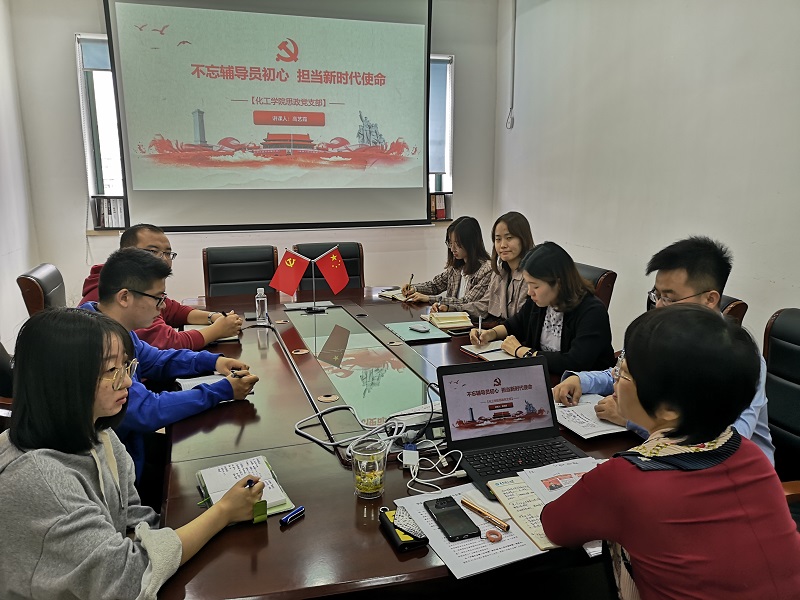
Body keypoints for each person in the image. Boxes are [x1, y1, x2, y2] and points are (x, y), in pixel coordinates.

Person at [0, 308, 265, 600]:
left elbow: (134, 520)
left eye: (127, 366)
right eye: (111, 371)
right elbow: (129, 578)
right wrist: (223, 512)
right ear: (62, 380)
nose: (127, 381)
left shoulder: (99, 433)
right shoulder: (40, 480)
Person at [541, 305, 800, 599]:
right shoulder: (750, 454)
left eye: (624, 373)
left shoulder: (625, 478)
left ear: (668, 409)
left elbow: (555, 525)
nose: (615, 380)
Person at [552, 236, 775, 464]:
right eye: (656, 295)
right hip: (660, 454)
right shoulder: (659, 333)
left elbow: (729, 441)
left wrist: (630, 419)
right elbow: (627, 374)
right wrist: (581, 380)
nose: (658, 305)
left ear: (710, 299)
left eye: (668, 298)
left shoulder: (737, 355)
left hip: (733, 471)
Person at [79, 247, 258, 480]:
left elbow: (157, 361)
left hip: (132, 447)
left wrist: (213, 361)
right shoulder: (96, 343)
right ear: (124, 297)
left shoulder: (113, 326)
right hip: (118, 471)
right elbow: (146, 410)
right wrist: (222, 390)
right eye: (158, 298)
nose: (163, 306)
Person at [80, 223, 243, 350]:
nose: (163, 259)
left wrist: (213, 317)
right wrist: (218, 330)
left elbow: (173, 310)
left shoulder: (134, 282)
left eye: (167, 253)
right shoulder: (112, 292)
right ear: (127, 252)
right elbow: (169, 343)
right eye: (152, 251)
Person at [469, 241, 614, 375]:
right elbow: (516, 324)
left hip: (581, 388)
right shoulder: (540, 302)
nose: (529, 292)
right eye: (528, 284)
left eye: (536, 286)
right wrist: (490, 334)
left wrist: (521, 351)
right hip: (543, 377)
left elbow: (574, 362)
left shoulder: (592, 312)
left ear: (559, 283)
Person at [402, 216, 493, 319]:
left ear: (471, 243)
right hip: (450, 320)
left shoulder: (487, 270)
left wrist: (429, 299)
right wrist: (414, 289)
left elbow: (466, 302)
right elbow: (435, 285)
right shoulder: (457, 266)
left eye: (457, 244)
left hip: (470, 323)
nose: (452, 249)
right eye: (450, 243)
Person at [486, 211, 535, 321]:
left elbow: (522, 320)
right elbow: (486, 303)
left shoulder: (531, 275)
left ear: (523, 239)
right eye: (498, 239)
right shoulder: (500, 271)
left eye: (509, 238)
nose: (503, 245)